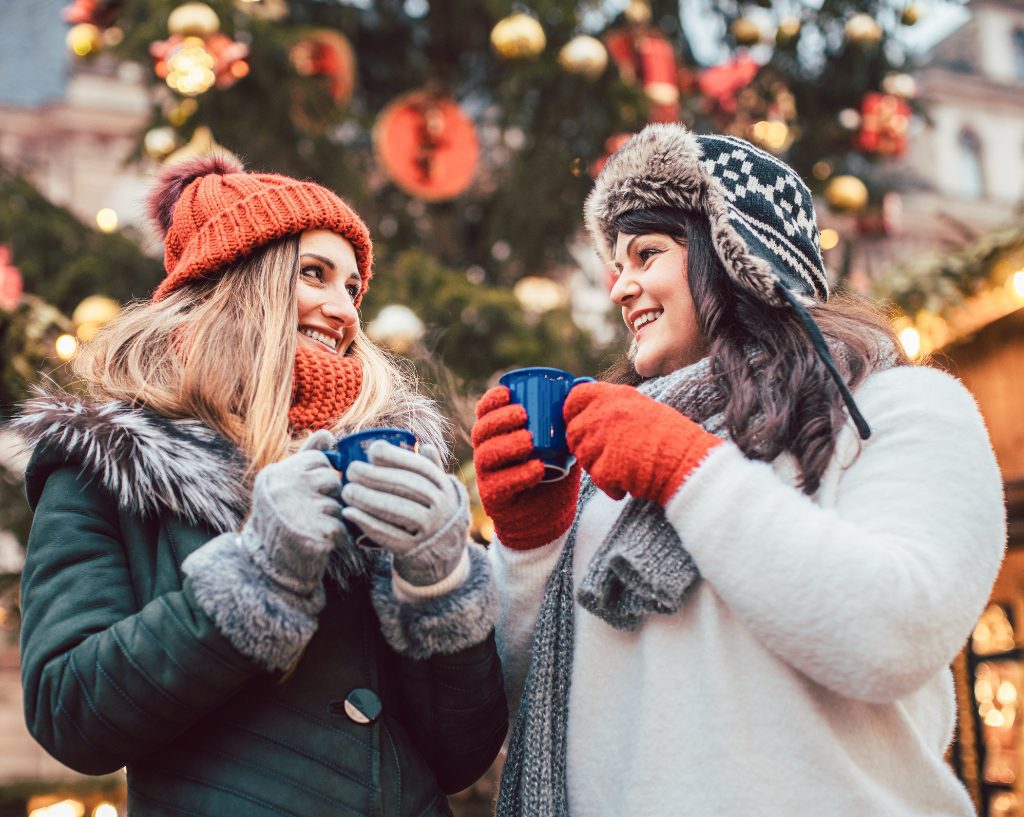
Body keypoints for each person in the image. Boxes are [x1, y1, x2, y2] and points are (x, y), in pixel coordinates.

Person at [472, 123, 1005, 817]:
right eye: (617, 265)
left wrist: (688, 470)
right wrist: (531, 544)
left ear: (735, 255)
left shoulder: (898, 409)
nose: (621, 287)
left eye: (646, 254)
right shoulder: (614, 468)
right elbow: (545, 703)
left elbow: (894, 630)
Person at [14, 154, 506, 817]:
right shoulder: (110, 465)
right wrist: (255, 576)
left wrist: (439, 581)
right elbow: (68, 710)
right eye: (315, 273)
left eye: (352, 287)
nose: (344, 310)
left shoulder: (389, 462)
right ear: (239, 281)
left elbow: (459, 755)